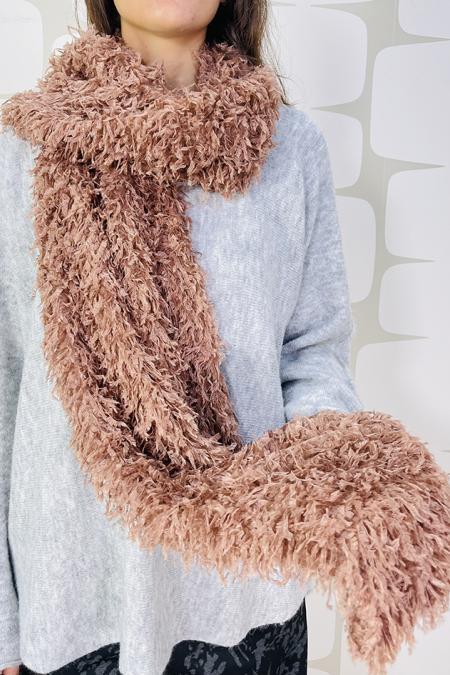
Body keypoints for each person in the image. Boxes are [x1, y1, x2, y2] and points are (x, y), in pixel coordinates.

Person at [0, 1, 364, 674]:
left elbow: (314, 351)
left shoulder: (290, 146)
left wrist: (309, 484)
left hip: (246, 584)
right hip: (79, 600)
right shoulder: (24, 149)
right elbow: (4, 379)